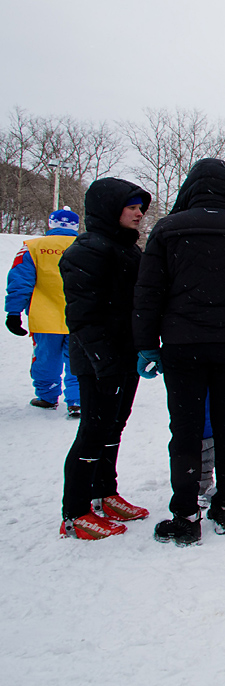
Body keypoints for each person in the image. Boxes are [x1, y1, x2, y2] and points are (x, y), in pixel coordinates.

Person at [134, 158, 225, 546]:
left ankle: (185, 515)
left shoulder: (167, 230)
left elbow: (148, 294)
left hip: (182, 344)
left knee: (185, 430)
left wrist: (146, 344)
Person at [57, 179, 153, 539]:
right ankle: (75, 512)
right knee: (93, 432)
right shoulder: (88, 250)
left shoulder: (128, 249)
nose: (139, 213)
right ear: (110, 209)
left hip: (125, 356)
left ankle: (104, 493)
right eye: (132, 207)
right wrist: (103, 360)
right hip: (99, 360)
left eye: (140, 207)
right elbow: (82, 317)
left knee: (114, 427)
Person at [6, 207, 82, 416]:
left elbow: (20, 281)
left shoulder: (32, 247)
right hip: (80, 316)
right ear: (76, 226)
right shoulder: (87, 246)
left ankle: (47, 396)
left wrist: (13, 312)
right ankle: (77, 400)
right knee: (78, 359)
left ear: (51, 224)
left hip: (44, 316)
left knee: (45, 358)